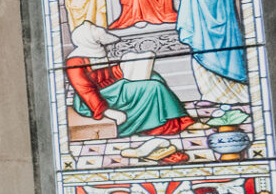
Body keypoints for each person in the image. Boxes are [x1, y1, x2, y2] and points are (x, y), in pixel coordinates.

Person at [64, 24, 196, 138]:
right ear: (87, 38)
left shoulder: (96, 50)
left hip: (113, 88)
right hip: (95, 100)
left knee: (154, 77)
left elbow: (107, 73)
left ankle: (175, 119)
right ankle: (162, 125)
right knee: (153, 87)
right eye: (93, 29)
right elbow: (85, 89)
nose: (98, 29)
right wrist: (108, 111)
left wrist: (125, 68)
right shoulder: (75, 61)